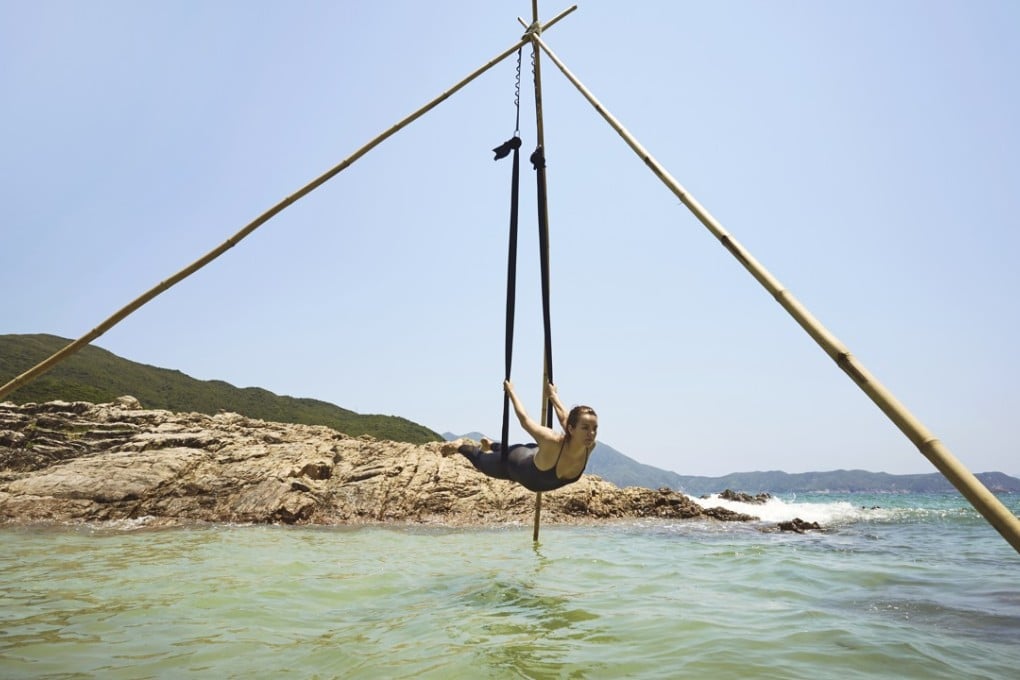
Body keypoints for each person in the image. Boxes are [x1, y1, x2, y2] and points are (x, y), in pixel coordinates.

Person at [444, 380, 598, 493]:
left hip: (535, 453)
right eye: (585, 428)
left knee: (523, 448)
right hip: (517, 465)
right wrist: (511, 391)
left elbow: (566, 419)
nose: (591, 434)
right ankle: (458, 446)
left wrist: (553, 396)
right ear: (571, 429)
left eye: (594, 428)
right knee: (480, 461)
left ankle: (491, 445)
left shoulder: (589, 446)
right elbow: (525, 420)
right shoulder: (552, 440)